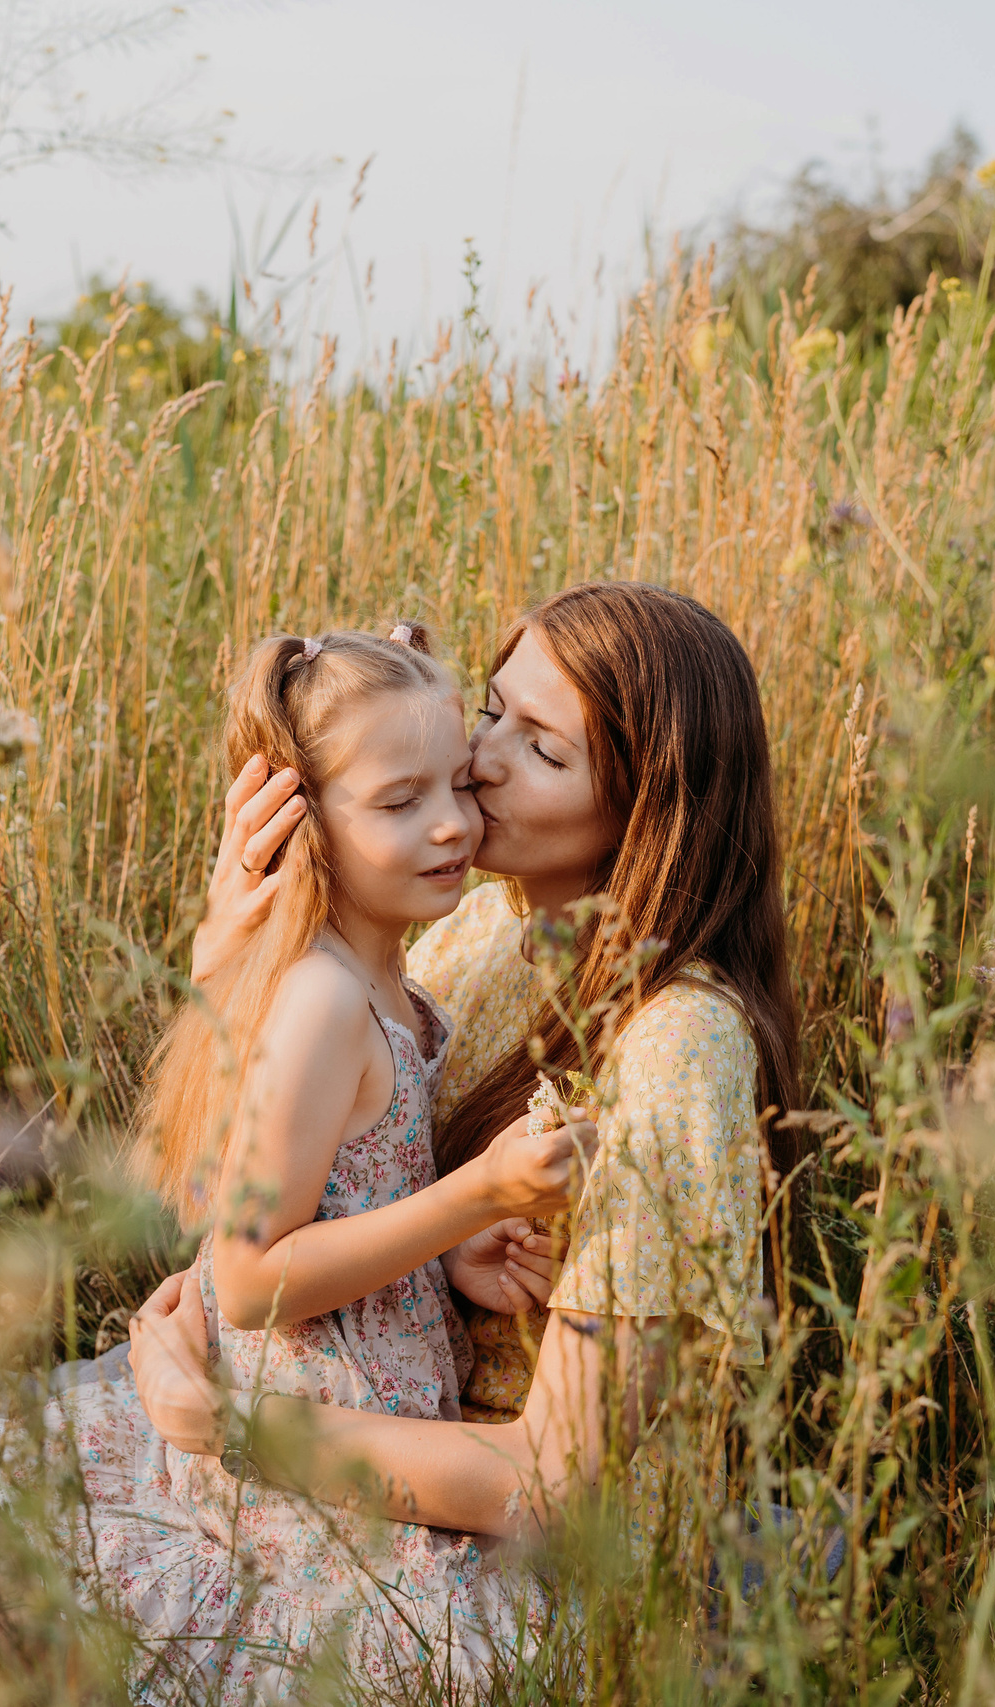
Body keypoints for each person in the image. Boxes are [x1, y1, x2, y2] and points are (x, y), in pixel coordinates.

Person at [0, 624, 597, 1697]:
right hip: (299, 1470)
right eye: (396, 802)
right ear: (306, 825)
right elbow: (247, 1276)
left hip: (345, 1415)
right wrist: (474, 1193)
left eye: (453, 789)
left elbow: (335, 1193)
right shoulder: (327, 1000)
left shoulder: (400, 993)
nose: (449, 825)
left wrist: (444, 1249)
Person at [127, 581, 805, 1563]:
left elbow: (555, 1489)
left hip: (491, 1538)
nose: (478, 764)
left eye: (542, 749)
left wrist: (233, 1425)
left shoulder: (675, 1045)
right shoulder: (477, 931)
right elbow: (279, 1201)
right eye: (492, 711)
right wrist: (228, 958)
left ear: (643, 807)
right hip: (343, 1420)